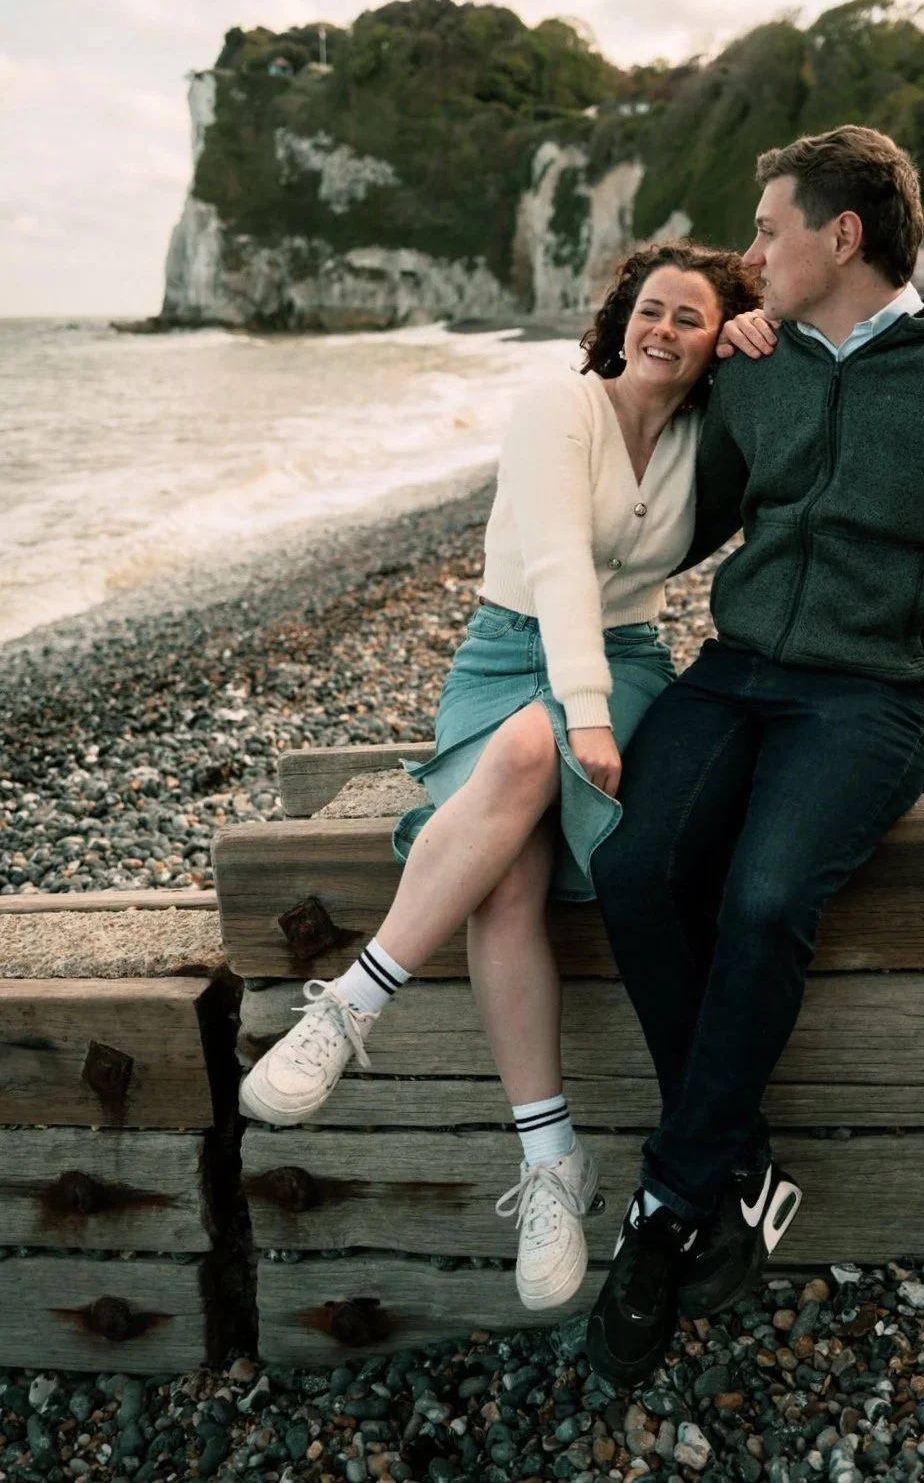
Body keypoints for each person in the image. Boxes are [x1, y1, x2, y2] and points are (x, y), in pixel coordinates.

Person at [585, 125, 924, 1386]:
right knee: (630, 864)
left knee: (770, 895)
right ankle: (735, 1161)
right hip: (736, 675)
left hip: (877, 695)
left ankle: (670, 1197)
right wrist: (664, 382)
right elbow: (686, 512)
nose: (749, 253)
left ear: (843, 236)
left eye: (769, 229)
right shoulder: (758, 366)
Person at [238, 241, 761, 1314]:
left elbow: (801, 391)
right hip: (502, 654)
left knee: (526, 764)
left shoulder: (711, 433)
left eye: (690, 318)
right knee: (509, 873)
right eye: (648, 309)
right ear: (621, 318)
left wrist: (770, 337)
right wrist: (574, 708)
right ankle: (548, 1163)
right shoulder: (555, 409)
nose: (661, 329)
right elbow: (561, 558)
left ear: (715, 342)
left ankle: (355, 996)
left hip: (626, 662)